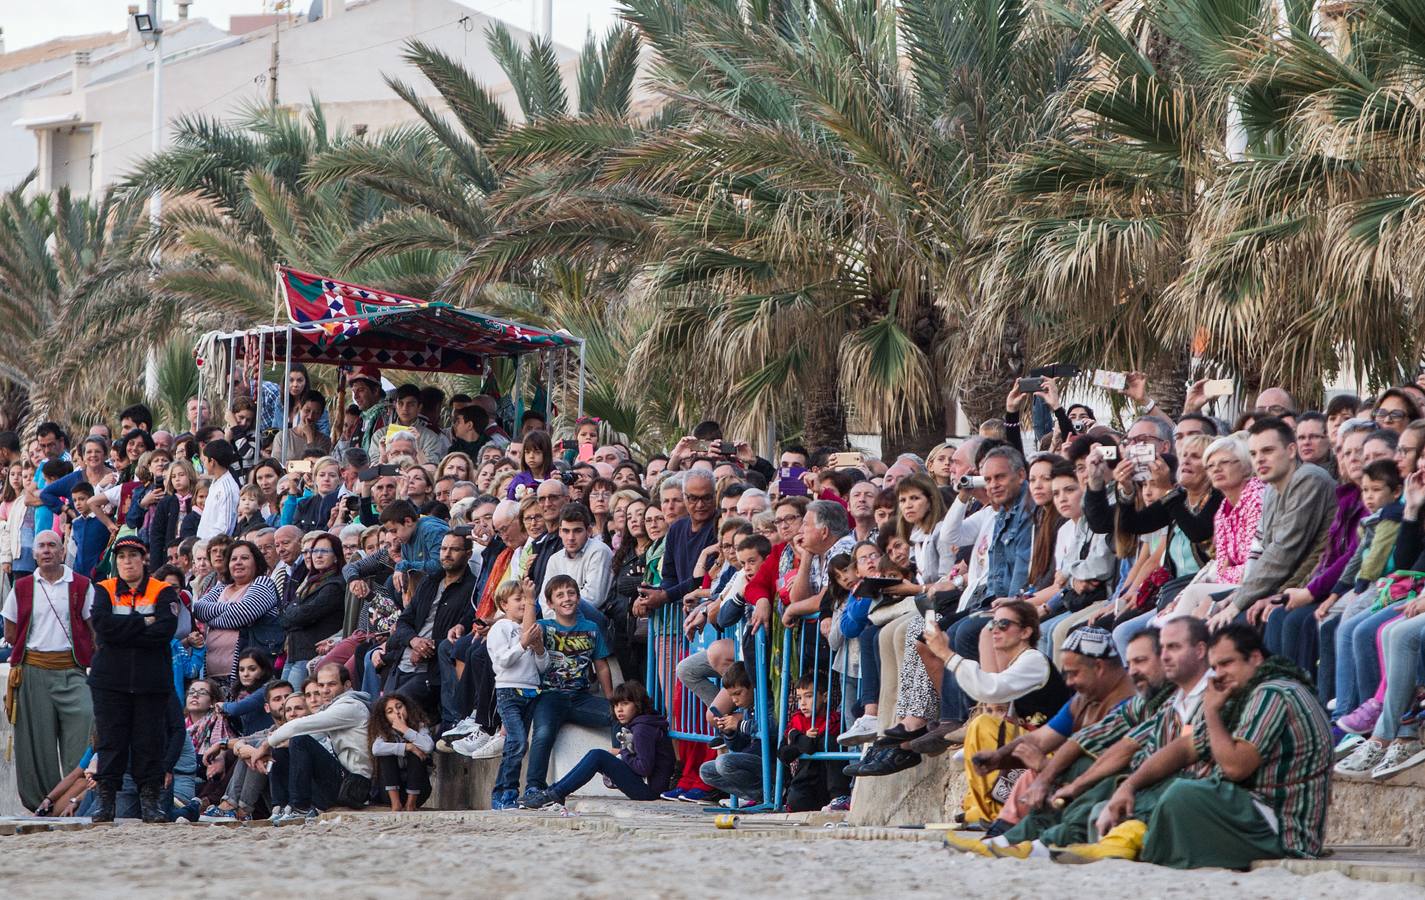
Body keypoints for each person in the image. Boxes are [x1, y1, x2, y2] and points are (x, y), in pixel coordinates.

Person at [1063, 625, 1331, 870]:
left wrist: (1211, 711)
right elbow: (1184, 748)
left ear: (1256, 659)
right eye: (1215, 667)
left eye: (1227, 663)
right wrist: (1129, 786)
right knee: (1124, 784)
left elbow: (1236, 767)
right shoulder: (1244, 695)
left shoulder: (1273, 692)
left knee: (1182, 792)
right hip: (1250, 815)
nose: (1220, 674)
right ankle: (1069, 842)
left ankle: (1129, 847)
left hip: (1282, 830)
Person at [1208, 419, 1336, 631]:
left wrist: (1238, 603)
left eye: (1267, 451)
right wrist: (1239, 596)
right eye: (1254, 454)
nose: (1260, 459)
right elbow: (1266, 551)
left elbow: (1284, 551)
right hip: (1287, 584)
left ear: (1291, 450)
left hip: (1315, 582)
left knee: (1231, 625)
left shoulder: (1308, 479)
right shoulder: (1271, 489)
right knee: (1207, 612)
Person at [88, 535, 180, 822]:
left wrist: (123, 631)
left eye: (133, 555)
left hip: (151, 681)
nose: (127, 561)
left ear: (144, 559)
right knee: (110, 742)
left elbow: (164, 630)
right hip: (109, 680)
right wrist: (144, 622)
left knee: (149, 742)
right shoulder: (103, 588)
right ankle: (106, 803)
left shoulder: (163, 590)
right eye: (122, 556)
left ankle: (151, 803)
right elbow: (102, 628)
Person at [2, 529, 95, 811]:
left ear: (62, 550)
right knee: (35, 741)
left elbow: (93, 628)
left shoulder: (81, 584)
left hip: (72, 668)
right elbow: (10, 630)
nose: (46, 550)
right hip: (34, 670)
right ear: (34, 553)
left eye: (52, 545)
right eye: (41, 546)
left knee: (84, 722)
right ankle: (42, 802)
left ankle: (74, 800)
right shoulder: (22, 587)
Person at [520, 574, 615, 807]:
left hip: (582, 698)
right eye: (560, 595)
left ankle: (616, 767)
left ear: (579, 598)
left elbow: (601, 666)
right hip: (550, 697)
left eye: (571, 593)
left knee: (617, 715)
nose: (567, 598)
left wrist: (611, 697)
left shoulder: (591, 628)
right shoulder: (545, 627)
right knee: (542, 734)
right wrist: (531, 600)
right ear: (550, 604)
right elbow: (527, 632)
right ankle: (534, 786)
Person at [520, 680, 675, 809]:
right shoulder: (641, 724)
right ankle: (552, 793)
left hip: (649, 791)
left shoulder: (642, 729)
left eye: (625, 704)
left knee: (598, 756)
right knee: (597, 756)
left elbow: (644, 768)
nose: (619, 710)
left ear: (638, 705)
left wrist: (622, 753)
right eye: (615, 705)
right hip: (647, 785)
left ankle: (554, 795)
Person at [254, 662, 373, 824]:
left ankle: (300, 808)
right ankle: (280, 807)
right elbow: (309, 735)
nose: (325, 690)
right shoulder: (335, 708)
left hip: (357, 786)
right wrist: (273, 745)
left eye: (331, 684)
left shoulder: (351, 707)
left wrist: (264, 745)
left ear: (347, 685)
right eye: (321, 685)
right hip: (342, 780)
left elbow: (298, 727)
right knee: (282, 748)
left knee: (298, 739)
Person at [280, 532, 347, 685]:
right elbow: (286, 617)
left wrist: (293, 613)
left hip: (311, 654)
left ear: (336, 556)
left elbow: (303, 614)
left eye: (324, 551)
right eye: (315, 551)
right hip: (295, 653)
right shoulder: (310, 582)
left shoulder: (335, 585)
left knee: (298, 703)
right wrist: (293, 613)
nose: (317, 556)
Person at [777, 675, 851, 812]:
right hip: (806, 782)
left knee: (827, 742)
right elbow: (783, 754)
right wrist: (800, 737)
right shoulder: (796, 721)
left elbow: (809, 747)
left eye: (809, 696)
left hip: (828, 782)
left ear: (825, 697)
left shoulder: (834, 721)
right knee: (795, 803)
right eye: (799, 698)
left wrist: (795, 737)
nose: (803, 703)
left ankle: (840, 797)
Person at [697, 661, 765, 804]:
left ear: (752, 687)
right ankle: (758, 795)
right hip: (750, 757)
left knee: (724, 762)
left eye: (738, 694)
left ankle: (769, 792)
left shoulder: (766, 703)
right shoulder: (747, 708)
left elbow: (771, 729)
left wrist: (740, 725)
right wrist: (729, 733)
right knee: (706, 770)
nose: (734, 700)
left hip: (767, 761)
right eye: (731, 696)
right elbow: (739, 746)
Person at [368, 694, 434, 811]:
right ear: (385, 717)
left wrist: (405, 729)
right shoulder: (384, 731)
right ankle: (396, 804)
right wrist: (407, 747)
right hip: (389, 791)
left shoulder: (419, 726)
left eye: (399, 707)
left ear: (407, 708)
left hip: (418, 790)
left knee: (417, 752)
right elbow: (376, 749)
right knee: (386, 753)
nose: (397, 713)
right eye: (390, 711)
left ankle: (411, 804)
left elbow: (428, 746)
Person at [196, 439, 240, 540]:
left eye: (205, 460)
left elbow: (225, 526)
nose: (204, 464)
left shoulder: (227, 488)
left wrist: (209, 546)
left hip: (214, 547)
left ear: (212, 462)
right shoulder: (216, 482)